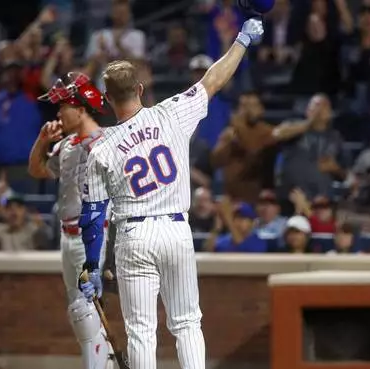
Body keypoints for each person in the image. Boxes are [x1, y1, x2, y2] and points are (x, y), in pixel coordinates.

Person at [76, 17, 264, 369]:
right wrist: (242, 40)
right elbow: (213, 80)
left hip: (133, 234)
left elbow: (93, 215)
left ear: (106, 99)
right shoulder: (171, 113)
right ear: (141, 89)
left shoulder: (102, 147)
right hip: (176, 228)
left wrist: (91, 265)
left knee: (141, 332)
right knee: (187, 322)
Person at [27, 72, 113, 368]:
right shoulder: (66, 145)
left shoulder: (106, 142)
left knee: (86, 308)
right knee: (81, 312)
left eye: (64, 107)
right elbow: (38, 171)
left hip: (93, 234)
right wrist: (41, 141)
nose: (58, 114)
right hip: (67, 235)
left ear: (80, 108)